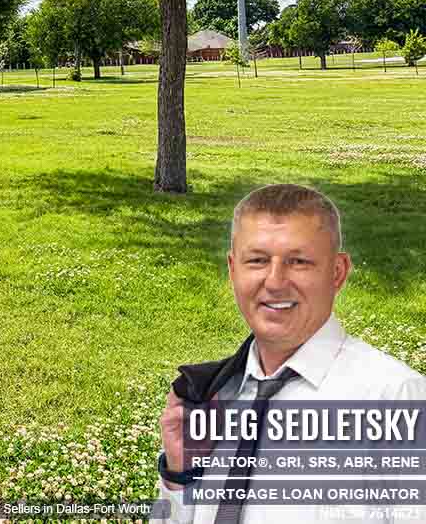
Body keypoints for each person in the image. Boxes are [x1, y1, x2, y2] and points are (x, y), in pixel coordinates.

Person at [153, 184, 426, 523]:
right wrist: (180, 476)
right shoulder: (210, 398)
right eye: (257, 260)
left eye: (298, 261)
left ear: (337, 272)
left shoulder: (396, 399)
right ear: (232, 269)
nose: (275, 281)